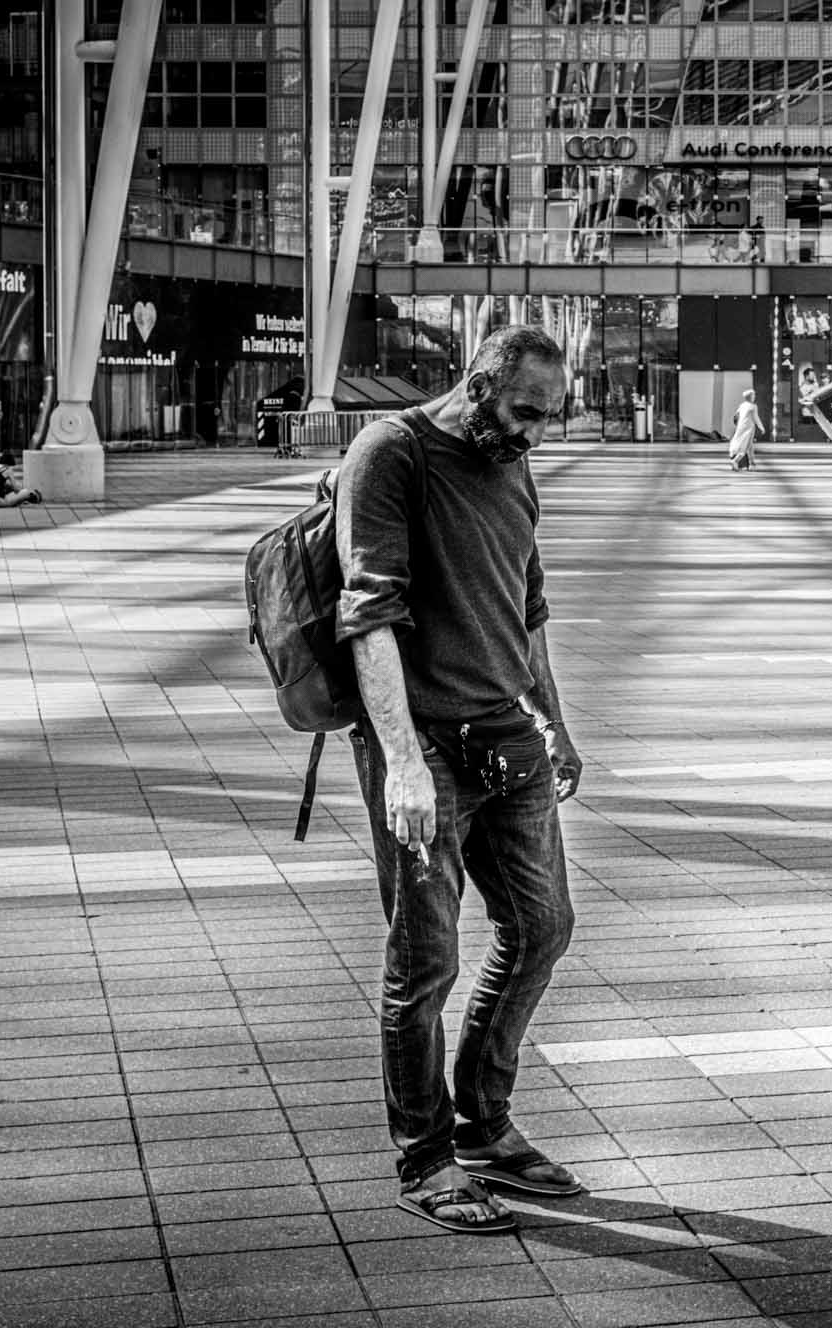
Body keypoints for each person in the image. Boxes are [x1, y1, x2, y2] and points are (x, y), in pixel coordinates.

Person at [334, 325, 587, 1236]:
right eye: (525, 413)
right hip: (426, 744)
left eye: (551, 418)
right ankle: (428, 1155)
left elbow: (529, 605)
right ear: (481, 385)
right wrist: (402, 760)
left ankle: (485, 1124)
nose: (536, 435)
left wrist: (555, 719)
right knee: (424, 959)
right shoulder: (391, 453)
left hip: (508, 736)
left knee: (543, 926)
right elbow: (368, 615)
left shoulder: (512, 460)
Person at [727, 387, 765, 470]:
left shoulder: (742, 405)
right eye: (753, 395)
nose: (754, 397)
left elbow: (736, 415)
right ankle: (736, 461)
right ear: (750, 397)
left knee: (750, 446)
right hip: (749, 428)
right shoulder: (753, 406)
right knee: (745, 446)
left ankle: (752, 463)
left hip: (740, 427)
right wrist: (761, 427)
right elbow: (756, 418)